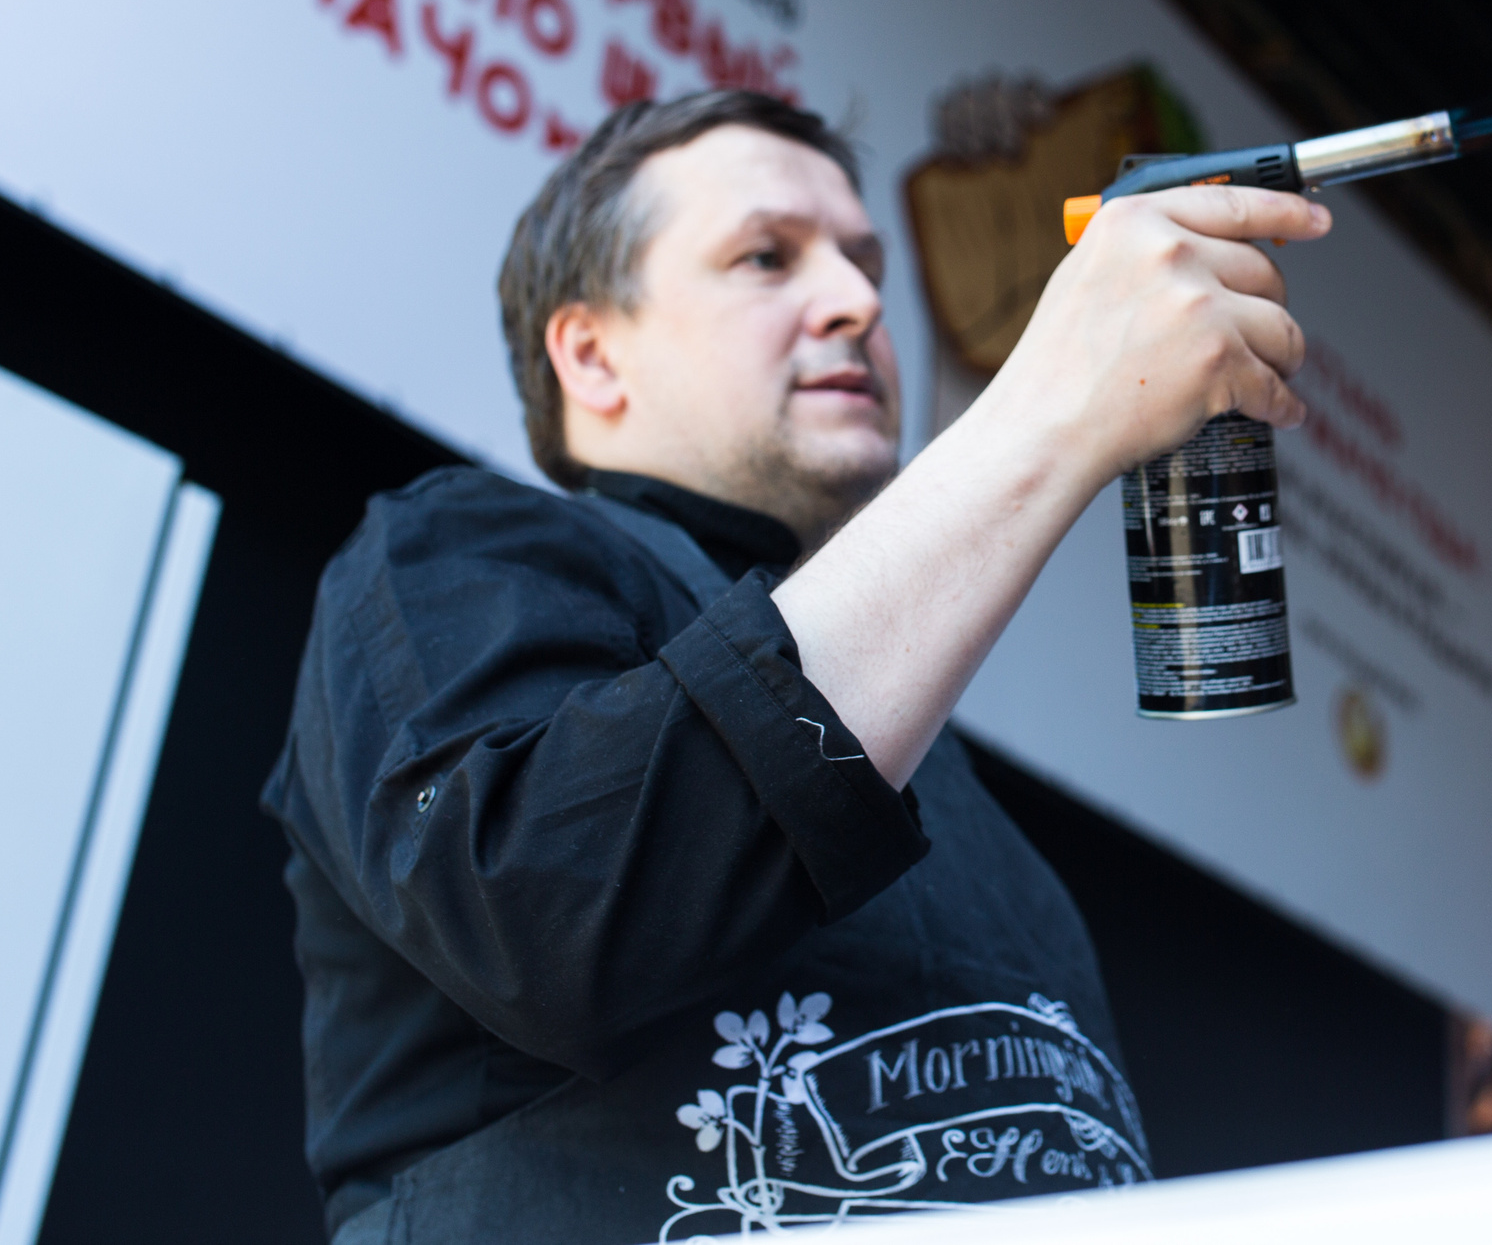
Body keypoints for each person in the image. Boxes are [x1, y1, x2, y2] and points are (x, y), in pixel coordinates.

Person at [261, 90, 1328, 1242]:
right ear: (591, 354)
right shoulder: (454, 551)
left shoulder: (942, 772)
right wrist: (1051, 414)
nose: (860, 301)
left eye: (866, 264)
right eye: (767, 258)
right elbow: (551, 915)